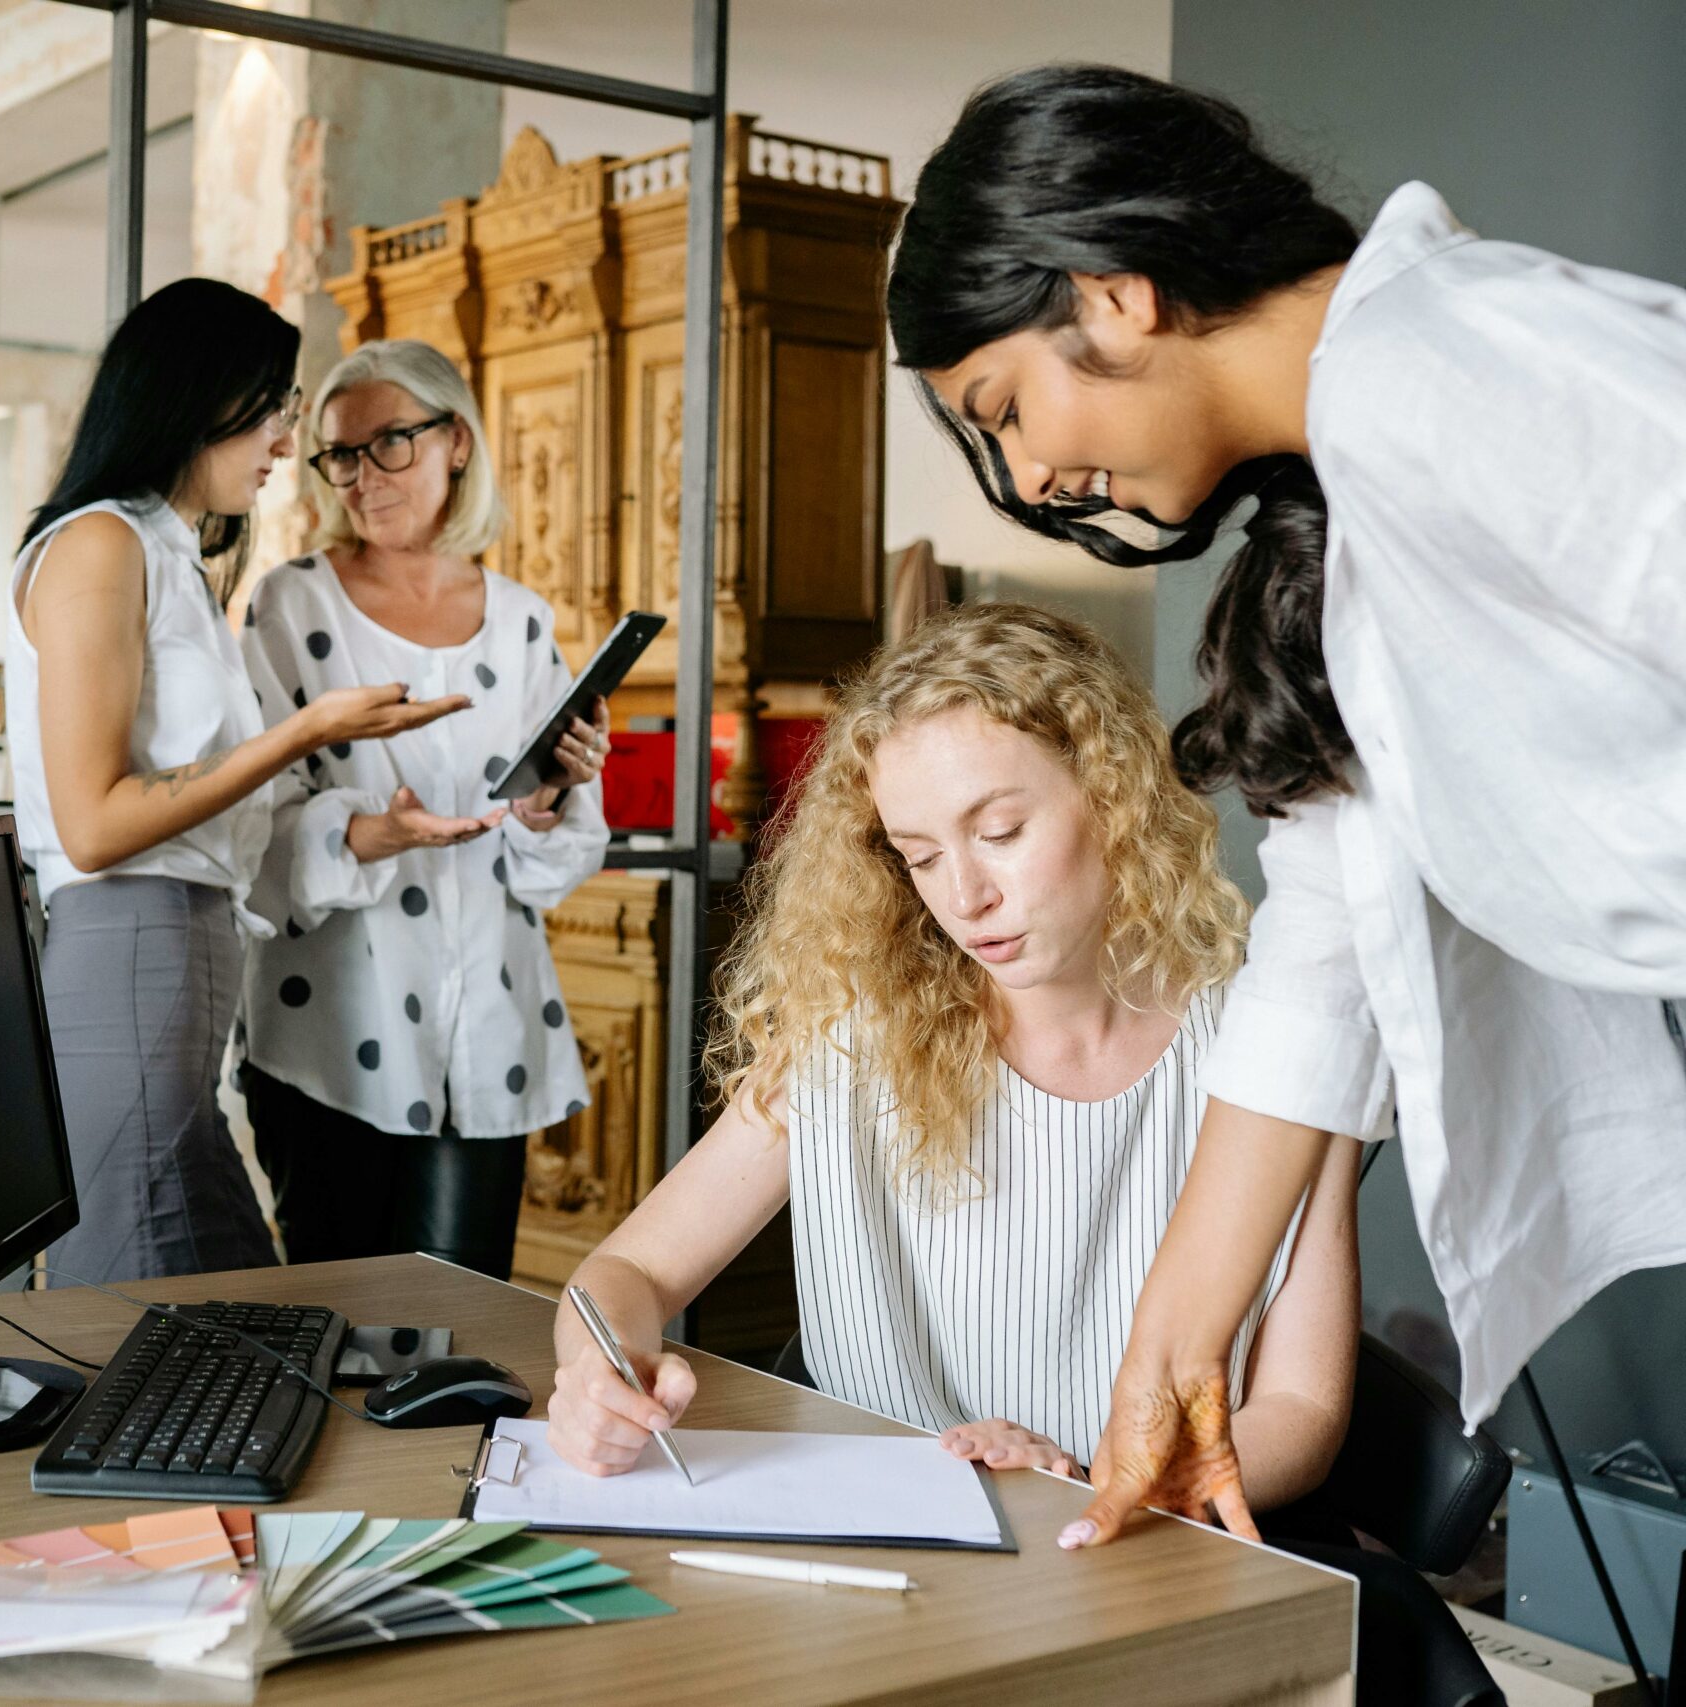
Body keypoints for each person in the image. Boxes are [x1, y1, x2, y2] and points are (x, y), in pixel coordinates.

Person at [884, 64, 1686, 1549]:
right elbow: (1319, 968)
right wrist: (1170, 1366)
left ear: (1112, 295)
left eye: (1006, 406)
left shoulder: (1450, 363)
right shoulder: (1350, 494)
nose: (1038, 470)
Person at [546, 603, 1357, 1503]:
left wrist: (1102, 1484)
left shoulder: (1274, 1044)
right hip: (898, 1558)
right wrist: (599, 1371)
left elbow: (1303, 1409)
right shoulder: (851, 1038)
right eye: (920, 856)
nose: (965, 895)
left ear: (1113, 794)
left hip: (1150, 1555)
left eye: (1001, 833)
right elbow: (625, 1273)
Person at [7, 280, 468, 1284]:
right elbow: (92, 825)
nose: (282, 438)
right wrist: (307, 728)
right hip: (129, 946)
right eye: (270, 407)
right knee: (152, 1321)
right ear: (192, 399)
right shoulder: (100, 544)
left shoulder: (168, 559)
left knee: (218, 1308)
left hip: (177, 960)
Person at [235, 338, 611, 1281]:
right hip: (330, 1037)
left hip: (488, 1031)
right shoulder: (290, 606)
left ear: (455, 441)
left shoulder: (523, 620)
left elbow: (552, 857)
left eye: (389, 444)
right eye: (341, 455)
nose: (362, 478)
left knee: (461, 1340)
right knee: (338, 1334)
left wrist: (551, 798)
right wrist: (377, 833)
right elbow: (253, 829)